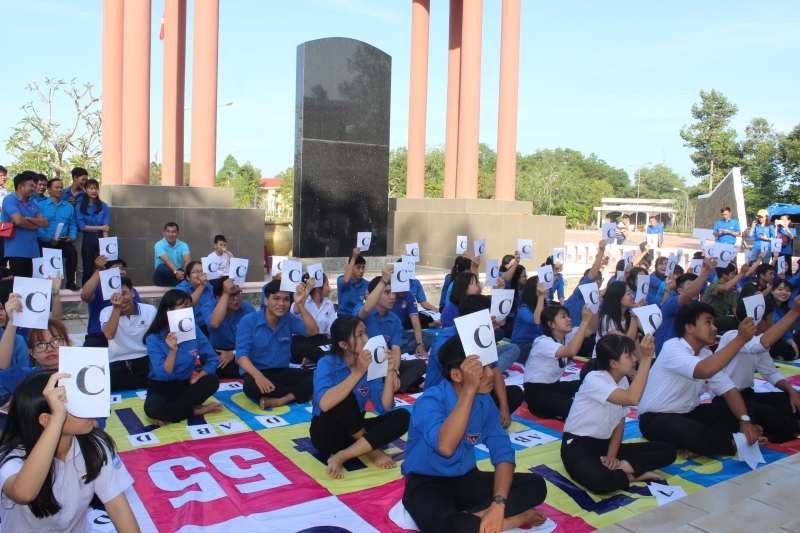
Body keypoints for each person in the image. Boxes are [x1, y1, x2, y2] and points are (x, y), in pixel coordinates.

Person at [401, 334, 548, 533]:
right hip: (428, 482)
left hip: (466, 479)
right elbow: (445, 447)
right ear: (457, 375)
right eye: (481, 369)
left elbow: (502, 451)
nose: (491, 374)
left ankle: (477, 519)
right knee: (437, 522)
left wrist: (498, 503)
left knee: (536, 485)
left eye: (490, 366)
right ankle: (506, 522)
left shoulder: (484, 401)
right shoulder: (430, 402)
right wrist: (469, 391)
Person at [0, 371, 140, 533]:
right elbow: (23, 493)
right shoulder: (11, 456)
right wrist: (57, 419)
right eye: (76, 406)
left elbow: (117, 506)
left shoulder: (95, 444)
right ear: (47, 419)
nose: (90, 411)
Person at [637, 304, 762, 459]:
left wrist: (745, 421)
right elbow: (703, 370)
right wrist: (740, 339)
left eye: (714, 323)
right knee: (692, 432)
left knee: (745, 412)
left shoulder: (704, 353)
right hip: (656, 417)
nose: (714, 328)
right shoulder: (673, 347)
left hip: (689, 414)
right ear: (689, 327)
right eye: (708, 322)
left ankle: (702, 444)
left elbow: (729, 391)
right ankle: (734, 443)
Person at [561, 334, 675, 494]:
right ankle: (630, 476)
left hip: (605, 444)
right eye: (629, 356)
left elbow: (619, 424)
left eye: (633, 354)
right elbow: (632, 399)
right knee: (600, 481)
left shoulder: (621, 381)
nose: (635, 359)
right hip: (578, 445)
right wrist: (647, 358)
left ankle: (621, 469)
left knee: (667, 450)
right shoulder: (595, 379)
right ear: (613, 363)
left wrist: (612, 458)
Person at [311, 315, 410, 478]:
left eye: (365, 333)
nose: (366, 339)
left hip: (355, 427)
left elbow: (385, 408)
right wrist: (358, 372)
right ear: (343, 344)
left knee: (403, 415)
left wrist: (390, 372)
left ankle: (343, 455)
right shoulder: (326, 363)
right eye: (359, 335)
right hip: (328, 432)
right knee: (344, 397)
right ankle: (373, 451)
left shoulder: (371, 363)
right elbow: (325, 404)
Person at [427, 294, 524, 428]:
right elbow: (460, 378)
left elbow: (494, 371)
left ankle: (481, 421)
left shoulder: (482, 337)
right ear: (474, 318)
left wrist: (504, 407)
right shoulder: (445, 342)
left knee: (514, 393)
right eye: (488, 317)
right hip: (449, 396)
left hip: (475, 392)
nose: (493, 321)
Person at [712, 296, 800, 439]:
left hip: (748, 395)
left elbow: (771, 373)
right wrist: (794, 312)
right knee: (771, 415)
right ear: (761, 320)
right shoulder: (732, 336)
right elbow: (760, 344)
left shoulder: (759, 341)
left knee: (791, 401)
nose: (773, 320)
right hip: (725, 399)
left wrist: (791, 391)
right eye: (771, 316)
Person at [143, 289, 222, 424]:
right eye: (184, 307)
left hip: (184, 386)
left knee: (212, 380)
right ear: (169, 311)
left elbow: (212, 359)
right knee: (152, 408)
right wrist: (172, 351)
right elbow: (163, 375)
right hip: (160, 387)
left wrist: (197, 379)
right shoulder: (153, 338)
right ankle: (197, 410)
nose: (188, 311)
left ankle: (170, 412)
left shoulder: (194, 329)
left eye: (190, 307)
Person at [236, 279, 317, 409]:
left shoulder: (288, 319)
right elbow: (241, 356)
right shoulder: (249, 321)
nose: (281, 303)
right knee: (251, 386)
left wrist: (300, 304)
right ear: (266, 301)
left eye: (286, 299)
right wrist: (258, 376)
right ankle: (300, 392)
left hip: (282, 372)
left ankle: (283, 399)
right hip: (257, 372)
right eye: (276, 299)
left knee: (318, 374)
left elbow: (313, 331)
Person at [356, 269, 427, 393]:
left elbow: (395, 349)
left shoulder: (395, 320)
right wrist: (384, 279)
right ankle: (393, 386)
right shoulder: (362, 310)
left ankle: (393, 386)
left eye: (393, 293)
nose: (392, 297)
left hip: (384, 362)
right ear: (375, 295)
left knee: (420, 365)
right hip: (364, 362)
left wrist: (394, 371)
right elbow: (367, 309)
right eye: (387, 293)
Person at [523, 304, 597, 420]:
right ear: (551, 324)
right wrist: (584, 322)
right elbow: (571, 351)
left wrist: (594, 307)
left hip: (554, 386)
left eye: (568, 316)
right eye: (563, 317)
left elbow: (592, 329)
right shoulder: (542, 342)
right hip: (537, 392)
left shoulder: (565, 336)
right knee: (578, 409)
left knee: (590, 384)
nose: (569, 319)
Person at [100, 277, 156, 391]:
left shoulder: (150, 310)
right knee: (107, 381)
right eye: (116, 296)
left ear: (132, 293)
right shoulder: (106, 312)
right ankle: (144, 382)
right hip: (118, 360)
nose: (121, 299)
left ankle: (139, 381)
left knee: (160, 373)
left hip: (144, 356)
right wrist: (117, 308)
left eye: (123, 294)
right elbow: (109, 335)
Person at [654, 258, 716, 355]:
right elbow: (688, 295)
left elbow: (701, 335)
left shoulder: (698, 307)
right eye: (691, 285)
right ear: (680, 290)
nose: (696, 289)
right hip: (666, 355)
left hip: (688, 353)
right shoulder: (670, 304)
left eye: (697, 286)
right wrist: (706, 272)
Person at [81, 256, 142, 348]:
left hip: (124, 335)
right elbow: (85, 296)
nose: (121, 272)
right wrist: (99, 270)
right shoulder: (98, 288)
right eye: (116, 269)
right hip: (99, 336)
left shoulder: (131, 291)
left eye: (123, 269)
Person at [203, 277, 256, 378]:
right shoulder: (208, 307)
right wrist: (226, 294)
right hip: (219, 352)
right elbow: (215, 324)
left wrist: (233, 353)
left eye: (238, 293)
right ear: (219, 298)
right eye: (231, 295)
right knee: (214, 362)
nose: (236, 298)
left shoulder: (247, 308)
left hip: (242, 349)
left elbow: (255, 336)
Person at [1, 172, 48, 277]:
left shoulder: (33, 204)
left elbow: (45, 222)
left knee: (30, 285)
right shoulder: (10, 200)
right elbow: (18, 221)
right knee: (17, 285)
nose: (33, 188)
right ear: (20, 187)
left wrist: (27, 218)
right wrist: (36, 224)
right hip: (16, 250)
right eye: (31, 186)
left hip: (33, 250)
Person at [38, 178, 80, 291]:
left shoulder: (68, 206)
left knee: (72, 252)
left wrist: (72, 237)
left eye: (61, 187)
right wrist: (48, 238)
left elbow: (72, 224)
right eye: (57, 187)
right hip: (45, 240)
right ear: (49, 189)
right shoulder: (40, 206)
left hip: (62, 240)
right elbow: (38, 226)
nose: (60, 190)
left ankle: (70, 282)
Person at [290, 272, 335, 365]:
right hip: (302, 340)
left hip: (321, 339)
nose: (329, 288)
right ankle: (321, 359)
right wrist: (308, 289)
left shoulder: (328, 304)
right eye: (327, 284)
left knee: (337, 347)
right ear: (318, 288)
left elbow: (332, 327)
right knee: (300, 348)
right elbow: (296, 310)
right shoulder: (303, 301)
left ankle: (313, 360)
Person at [702, 262, 758, 332]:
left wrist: (742, 323)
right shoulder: (713, 286)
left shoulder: (731, 291)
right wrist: (741, 273)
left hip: (721, 319)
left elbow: (734, 309)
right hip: (708, 319)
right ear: (724, 275)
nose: (734, 276)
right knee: (729, 321)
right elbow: (725, 288)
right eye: (733, 274)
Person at [76, 179, 109, 286]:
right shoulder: (79, 206)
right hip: (88, 238)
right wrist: (101, 227)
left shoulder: (103, 205)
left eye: (96, 188)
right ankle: (86, 291)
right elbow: (83, 227)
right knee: (88, 267)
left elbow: (106, 228)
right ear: (85, 190)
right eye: (91, 188)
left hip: (101, 238)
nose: (94, 191)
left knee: (105, 265)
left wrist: (105, 244)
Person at [175, 261, 216, 338]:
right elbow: (187, 305)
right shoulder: (181, 289)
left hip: (208, 326)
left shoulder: (209, 288)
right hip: (188, 328)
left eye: (202, 272)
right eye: (196, 272)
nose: (200, 275)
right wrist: (202, 286)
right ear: (187, 277)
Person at [510, 276, 547, 361]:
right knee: (541, 348)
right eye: (542, 286)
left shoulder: (543, 306)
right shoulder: (523, 308)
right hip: (521, 345)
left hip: (536, 342)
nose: (546, 289)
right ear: (533, 289)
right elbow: (537, 321)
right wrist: (541, 296)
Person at [391, 289, 436, 357]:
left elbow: (416, 323)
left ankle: (398, 349)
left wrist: (420, 344)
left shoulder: (408, 296)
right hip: (386, 335)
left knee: (431, 337)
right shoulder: (386, 298)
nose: (404, 289)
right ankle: (397, 349)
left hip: (401, 332)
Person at [152, 222, 191, 287]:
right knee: (162, 267)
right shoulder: (159, 245)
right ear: (164, 233)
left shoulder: (183, 245)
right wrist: (176, 272)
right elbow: (166, 260)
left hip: (177, 276)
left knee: (184, 270)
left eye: (173, 232)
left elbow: (187, 260)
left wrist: (186, 273)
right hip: (162, 278)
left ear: (178, 234)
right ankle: (183, 278)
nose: (170, 234)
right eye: (168, 232)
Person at [771, 279, 799, 360]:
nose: (784, 292)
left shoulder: (786, 308)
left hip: (781, 337)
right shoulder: (767, 304)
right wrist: (792, 343)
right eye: (780, 289)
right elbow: (780, 325)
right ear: (772, 291)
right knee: (787, 349)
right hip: (767, 340)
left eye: (787, 290)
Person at [337, 248, 368, 316]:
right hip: (344, 318)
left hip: (359, 319)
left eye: (363, 268)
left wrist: (369, 298)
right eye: (358, 267)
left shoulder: (366, 284)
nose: (361, 271)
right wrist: (353, 258)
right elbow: (346, 280)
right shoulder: (341, 279)